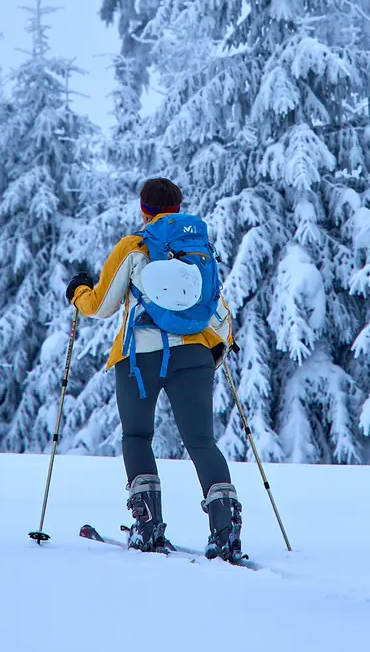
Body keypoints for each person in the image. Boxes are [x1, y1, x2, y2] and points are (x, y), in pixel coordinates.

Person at [66, 177, 242, 560]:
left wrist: (78, 291)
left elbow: (101, 305)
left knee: (137, 436)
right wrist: (220, 346)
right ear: (178, 208)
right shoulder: (199, 249)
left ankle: (147, 527)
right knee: (201, 442)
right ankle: (226, 530)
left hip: (139, 357)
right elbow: (215, 305)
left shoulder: (134, 246)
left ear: (143, 209)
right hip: (194, 354)